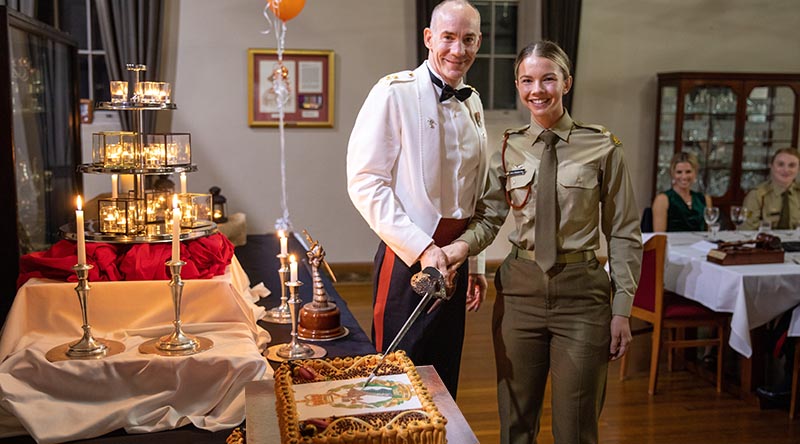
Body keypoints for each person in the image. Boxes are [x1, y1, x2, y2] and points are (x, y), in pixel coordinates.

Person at [442, 41, 642, 444]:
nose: (538, 90)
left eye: (548, 78)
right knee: (516, 424)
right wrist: (458, 249)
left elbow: (622, 231)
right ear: (518, 85)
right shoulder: (506, 147)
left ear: (566, 83)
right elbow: (490, 217)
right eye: (527, 80)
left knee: (577, 428)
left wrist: (622, 308)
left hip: (582, 295)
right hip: (521, 292)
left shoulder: (603, 146)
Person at [345, 0, 488, 399]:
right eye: (448, 37)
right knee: (396, 378)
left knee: (443, 380)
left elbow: (470, 192)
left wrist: (474, 262)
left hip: (456, 261)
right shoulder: (393, 92)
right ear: (428, 38)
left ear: (479, 43)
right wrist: (424, 248)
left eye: (468, 39)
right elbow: (365, 182)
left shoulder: (472, 101)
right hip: (408, 258)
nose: (458, 50)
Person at [651, 152, 713, 232]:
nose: (684, 177)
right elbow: (659, 236)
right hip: (672, 244)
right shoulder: (662, 200)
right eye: (679, 172)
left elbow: (709, 232)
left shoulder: (705, 199)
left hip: (700, 243)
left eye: (688, 172)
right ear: (672, 174)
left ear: (695, 173)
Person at [741, 147, 800, 230]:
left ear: (798, 169)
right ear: (771, 166)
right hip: (765, 242)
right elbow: (746, 230)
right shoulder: (756, 195)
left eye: (792, 165)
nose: (786, 170)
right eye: (780, 164)